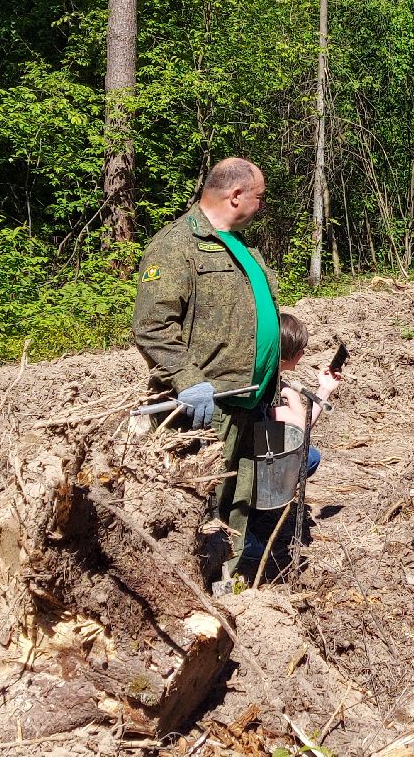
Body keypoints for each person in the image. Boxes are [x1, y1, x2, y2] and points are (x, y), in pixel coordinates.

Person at [132, 158, 283, 581]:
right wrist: (188, 381)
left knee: (239, 496)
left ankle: (227, 581)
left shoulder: (239, 245)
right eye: (259, 196)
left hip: (249, 399)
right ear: (236, 196)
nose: (261, 204)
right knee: (199, 501)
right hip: (206, 406)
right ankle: (188, 586)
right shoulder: (175, 245)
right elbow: (152, 326)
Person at [271, 312, 343, 478]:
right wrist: (292, 395)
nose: (303, 354)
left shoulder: (270, 378)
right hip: (257, 455)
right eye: (301, 350)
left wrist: (325, 389)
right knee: (310, 457)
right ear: (291, 353)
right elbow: (301, 429)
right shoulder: (271, 386)